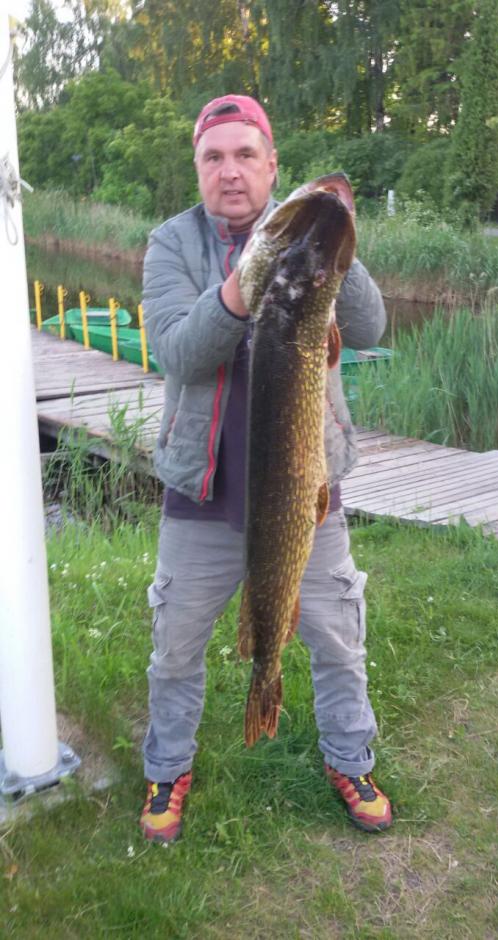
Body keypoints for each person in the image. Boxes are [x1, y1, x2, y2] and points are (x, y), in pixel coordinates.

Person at [140, 94, 392, 843]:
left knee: (337, 639)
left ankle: (351, 759)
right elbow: (177, 351)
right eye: (213, 157)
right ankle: (167, 768)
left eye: (245, 155)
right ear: (197, 167)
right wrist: (243, 284)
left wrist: (335, 237)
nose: (230, 172)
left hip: (305, 488)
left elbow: (370, 326)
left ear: (271, 164)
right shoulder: (171, 244)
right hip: (203, 490)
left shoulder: (304, 231)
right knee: (176, 648)